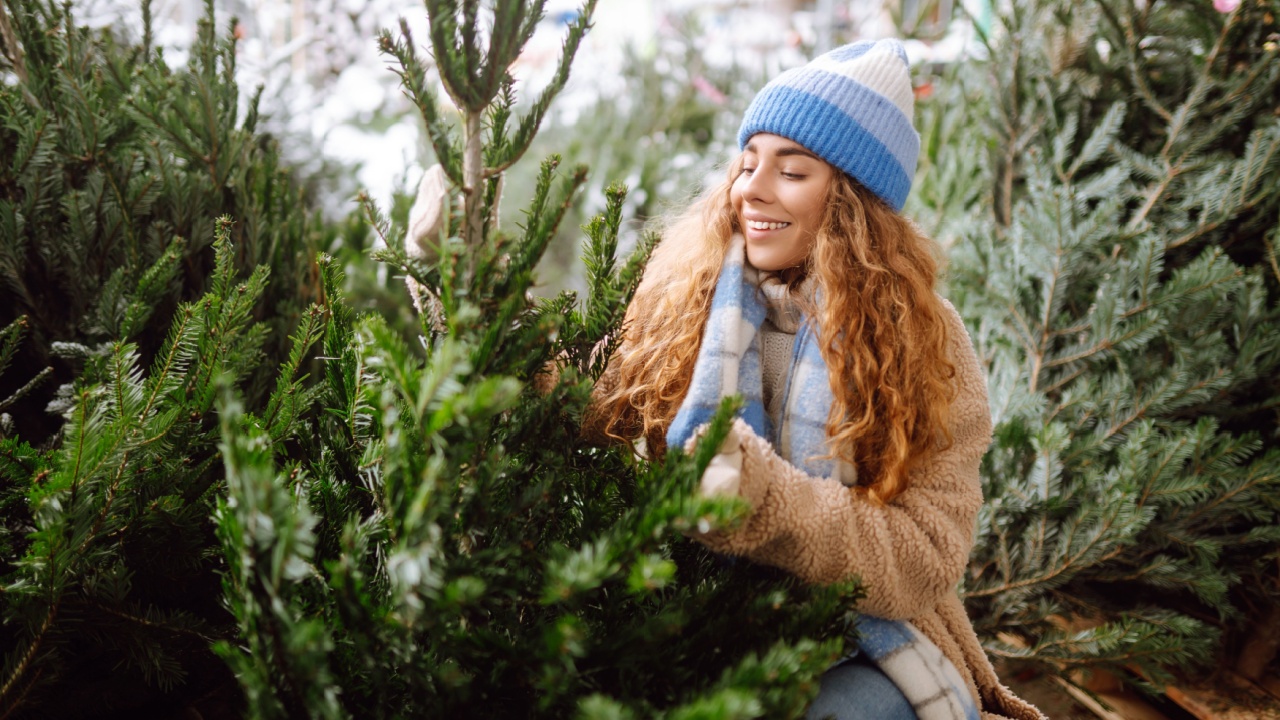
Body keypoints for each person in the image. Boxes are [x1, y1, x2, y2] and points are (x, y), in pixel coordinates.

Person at [584, 39, 1045, 720]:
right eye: (747, 165)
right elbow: (582, 408)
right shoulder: (683, 302)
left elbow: (926, 558)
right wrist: (459, 290)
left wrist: (769, 499)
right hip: (687, 613)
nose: (751, 189)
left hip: (866, 636)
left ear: (851, 200)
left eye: (791, 171)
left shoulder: (924, 340)